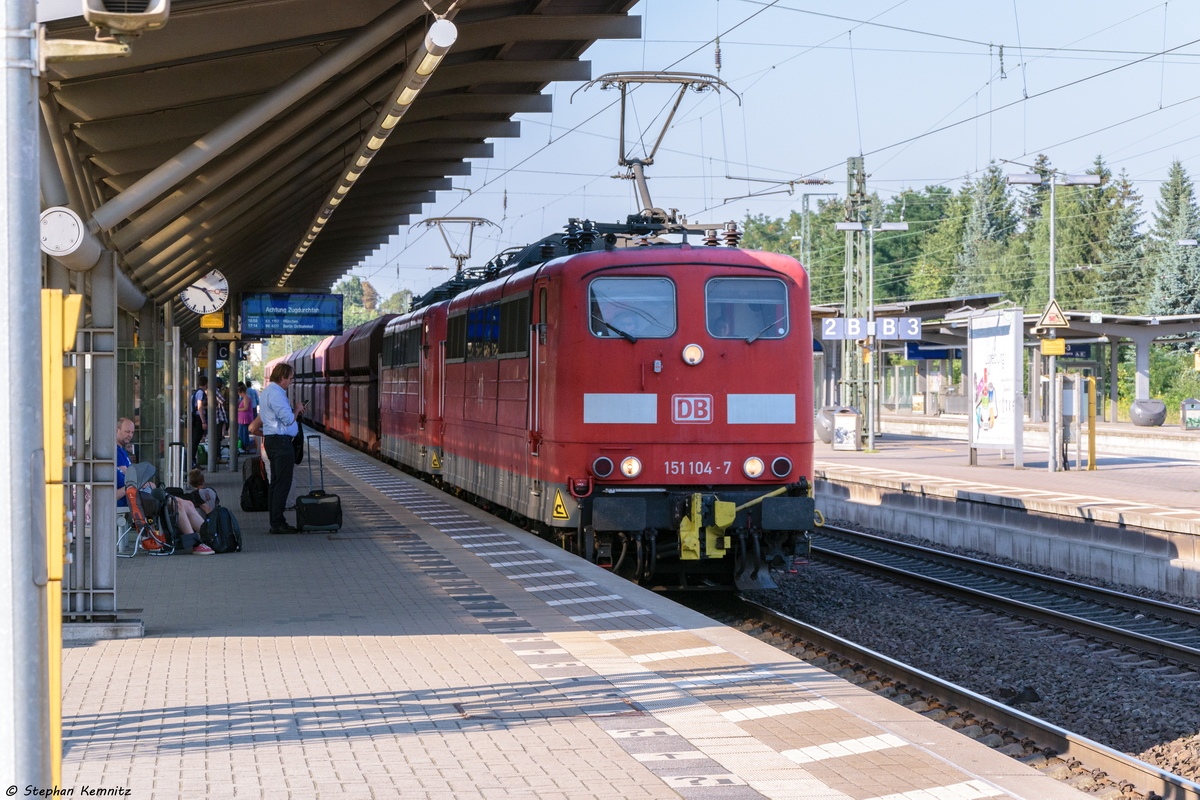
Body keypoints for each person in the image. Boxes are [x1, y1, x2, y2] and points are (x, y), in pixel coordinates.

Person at [119, 418, 213, 554]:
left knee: (188, 504)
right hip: (131, 499)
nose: (130, 435)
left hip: (137, 495)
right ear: (117, 430)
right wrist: (143, 483)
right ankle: (195, 543)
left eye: (132, 432)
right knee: (178, 503)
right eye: (127, 431)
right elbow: (130, 479)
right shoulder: (116, 452)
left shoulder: (122, 451)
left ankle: (210, 538)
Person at [260, 363, 306, 534]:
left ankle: (275, 520)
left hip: (274, 441)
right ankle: (278, 522)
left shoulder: (267, 392)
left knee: (276, 483)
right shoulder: (277, 394)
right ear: (282, 377)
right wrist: (297, 409)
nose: (290, 382)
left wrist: (294, 411)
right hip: (280, 442)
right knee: (282, 484)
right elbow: (287, 420)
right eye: (290, 378)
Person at [190, 376, 208, 468]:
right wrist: (203, 421)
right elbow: (200, 407)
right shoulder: (201, 393)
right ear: (206, 384)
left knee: (194, 441)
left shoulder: (195, 392)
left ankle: (192, 461)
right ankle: (192, 462)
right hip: (198, 418)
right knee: (195, 441)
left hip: (194, 417)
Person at [237, 382, 253, 453]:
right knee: (242, 432)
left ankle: (246, 446)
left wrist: (237, 409)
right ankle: (244, 446)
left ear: (242, 392)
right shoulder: (244, 398)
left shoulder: (246, 398)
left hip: (245, 418)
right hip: (242, 418)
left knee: (244, 433)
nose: (239, 395)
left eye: (239, 393)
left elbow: (245, 408)